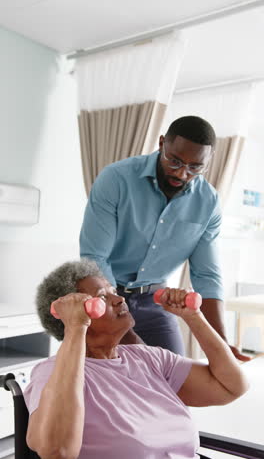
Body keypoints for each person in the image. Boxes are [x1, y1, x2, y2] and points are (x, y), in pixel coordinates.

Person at [24, 259, 249, 459]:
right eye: (103, 297)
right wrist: (75, 327)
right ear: (76, 313)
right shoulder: (53, 372)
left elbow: (232, 387)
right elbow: (57, 451)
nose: (119, 298)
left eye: (113, 290)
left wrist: (194, 317)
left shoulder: (150, 358)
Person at [79, 115, 250, 361]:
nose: (181, 173)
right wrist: (124, 330)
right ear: (161, 144)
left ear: (208, 163)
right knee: (114, 382)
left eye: (195, 167)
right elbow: (95, 257)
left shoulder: (208, 202)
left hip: (154, 301)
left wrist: (221, 342)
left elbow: (206, 275)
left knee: (175, 381)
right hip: (107, 298)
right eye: (175, 160)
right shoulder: (116, 179)